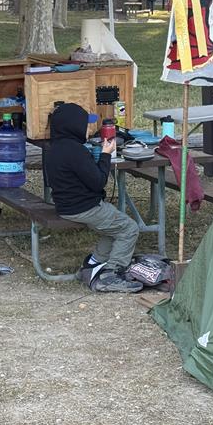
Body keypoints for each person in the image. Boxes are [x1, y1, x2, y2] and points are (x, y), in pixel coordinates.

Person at [44, 103, 142, 293]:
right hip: (85, 208)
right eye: (85, 124)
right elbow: (98, 182)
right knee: (129, 228)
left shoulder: (53, 149)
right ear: (74, 126)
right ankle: (111, 274)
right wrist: (105, 155)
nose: (88, 129)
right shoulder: (75, 151)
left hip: (65, 205)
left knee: (115, 227)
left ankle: (93, 263)